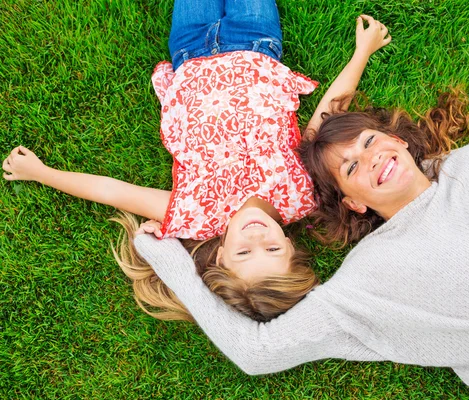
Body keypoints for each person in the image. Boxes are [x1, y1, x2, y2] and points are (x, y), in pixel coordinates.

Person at [131, 90, 469, 399]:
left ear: (396, 141)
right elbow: (257, 353)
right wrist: (166, 258)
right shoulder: (369, 277)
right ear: (353, 203)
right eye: (351, 167)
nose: (371, 158)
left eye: (371, 142)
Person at [1, 0, 391, 322]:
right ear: (290, 246)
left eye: (243, 253)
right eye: (272, 250)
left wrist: (42, 173)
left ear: (220, 256)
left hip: (188, 51)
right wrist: (362, 53)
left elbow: (112, 191)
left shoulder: (196, 215)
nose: (257, 239)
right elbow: (325, 116)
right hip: (254, 44)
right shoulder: (300, 194)